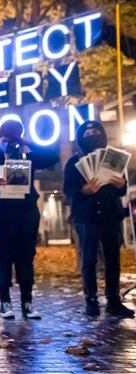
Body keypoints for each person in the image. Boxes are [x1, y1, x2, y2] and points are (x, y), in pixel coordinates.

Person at [0, 120, 58, 320]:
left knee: (26, 258)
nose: (9, 144)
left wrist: (27, 143)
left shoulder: (27, 156)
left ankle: (27, 303)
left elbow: (52, 156)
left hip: (25, 214)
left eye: (13, 140)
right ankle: (5, 302)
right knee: (2, 258)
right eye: (5, 139)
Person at [64, 121, 135, 318]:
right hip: (86, 218)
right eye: (88, 132)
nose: (93, 134)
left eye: (96, 131)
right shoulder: (74, 161)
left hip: (111, 216)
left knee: (113, 260)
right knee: (89, 260)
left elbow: (122, 189)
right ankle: (91, 300)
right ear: (81, 136)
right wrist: (84, 190)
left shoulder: (113, 159)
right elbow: (68, 191)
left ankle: (113, 300)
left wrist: (121, 184)